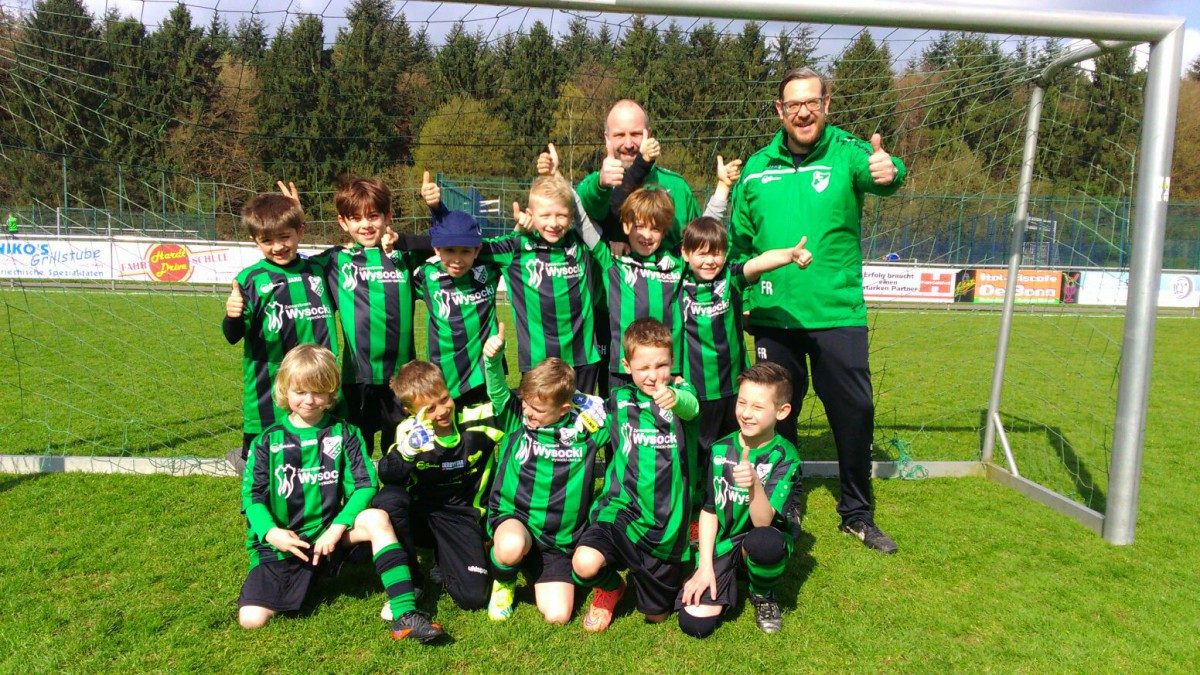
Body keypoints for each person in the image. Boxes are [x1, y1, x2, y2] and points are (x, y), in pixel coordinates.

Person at [729, 66, 907, 554]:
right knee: (774, 418)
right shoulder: (756, 169)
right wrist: (746, 300)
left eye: (812, 101)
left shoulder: (849, 153)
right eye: (793, 104)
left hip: (837, 314)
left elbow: (885, 177)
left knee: (854, 413)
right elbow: (739, 243)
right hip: (774, 316)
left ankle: (856, 513)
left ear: (827, 104)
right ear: (780, 111)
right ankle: (786, 501)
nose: (803, 111)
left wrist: (890, 172)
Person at [237, 344, 445, 643]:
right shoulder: (267, 442)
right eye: (300, 391)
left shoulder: (344, 434)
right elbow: (253, 498)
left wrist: (336, 529)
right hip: (284, 543)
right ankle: (305, 579)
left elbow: (364, 486)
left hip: (331, 539)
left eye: (318, 391)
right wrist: (272, 534)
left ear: (331, 392)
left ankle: (405, 615)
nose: (309, 400)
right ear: (285, 389)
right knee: (251, 620)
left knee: (376, 517)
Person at [572, 318, 699, 633]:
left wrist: (675, 398)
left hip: (665, 521)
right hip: (621, 509)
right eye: (643, 368)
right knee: (584, 563)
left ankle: (686, 555)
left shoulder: (681, 391)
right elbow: (591, 427)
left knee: (656, 616)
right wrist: (577, 424)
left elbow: (691, 407)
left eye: (662, 365)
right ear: (627, 365)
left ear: (672, 362)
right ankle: (611, 587)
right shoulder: (618, 399)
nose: (654, 376)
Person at [678, 216, 811, 510]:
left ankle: (742, 504)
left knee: (732, 452)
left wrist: (789, 255)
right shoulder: (676, 283)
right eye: (701, 252)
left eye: (717, 252)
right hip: (694, 393)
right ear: (686, 255)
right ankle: (695, 516)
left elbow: (759, 262)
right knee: (694, 458)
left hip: (734, 393)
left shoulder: (731, 278)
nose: (710, 260)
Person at [481, 323, 609, 624]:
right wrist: (492, 360)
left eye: (537, 408)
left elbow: (625, 421)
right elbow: (498, 389)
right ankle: (504, 581)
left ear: (565, 408)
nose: (528, 411)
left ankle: (530, 565)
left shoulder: (585, 430)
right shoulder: (517, 419)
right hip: (517, 520)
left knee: (558, 616)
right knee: (511, 546)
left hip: (559, 540)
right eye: (526, 402)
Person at [677, 362, 802, 638]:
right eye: (742, 402)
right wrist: (705, 567)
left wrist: (754, 483)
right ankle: (730, 571)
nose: (745, 413)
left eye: (757, 407)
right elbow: (709, 510)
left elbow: (762, 520)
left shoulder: (785, 456)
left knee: (765, 543)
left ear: (781, 412)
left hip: (762, 534)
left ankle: (762, 593)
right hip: (727, 538)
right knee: (695, 624)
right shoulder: (721, 448)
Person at [373, 360, 499, 615]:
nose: (442, 411)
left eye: (444, 399)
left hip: (462, 517)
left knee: (473, 597)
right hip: (422, 515)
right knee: (388, 500)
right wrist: (407, 452)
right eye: (429, 408)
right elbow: (388, 473)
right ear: (410, 410)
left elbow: (523, 403)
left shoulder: (479, 419)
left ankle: (447, 557)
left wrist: (576, 401)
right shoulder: (409, 431)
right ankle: (412, 579)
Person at [306, 177, 419, 457]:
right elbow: (290, 261)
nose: (365, 225)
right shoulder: (334, 261)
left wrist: (402, 239)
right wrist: (295, 214)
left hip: (401, 380)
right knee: (356, 455)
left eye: (373, 216)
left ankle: (396, 501)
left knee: (402, 454)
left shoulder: (404, 256)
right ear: (343, 223)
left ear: (387, 217)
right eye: (356, 218)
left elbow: (444, 242)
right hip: (357, 381)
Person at [223, 193, 338, 464]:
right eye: (267, 240)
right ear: (255, 240)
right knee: (262, 474)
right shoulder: (250, 280)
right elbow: (232, 336)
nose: (278, 246)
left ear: (300, 231)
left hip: (319, 393)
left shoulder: (321, 269)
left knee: (318, 468)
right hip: (267, 398)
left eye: (285, 237)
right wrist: (233, 316)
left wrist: (298, 210)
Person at [477, 175, 604, 394]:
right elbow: (467, 244)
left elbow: (598, 226)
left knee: (582, 424)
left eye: (562, 215)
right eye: (545, 215)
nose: (553, 223)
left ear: (572, 216)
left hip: (582, 358)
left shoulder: (581, 243)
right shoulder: (516, 247)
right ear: (530, 215)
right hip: (538, 361)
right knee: (539, 422)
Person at [414, 175, 503, 408]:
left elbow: (515, 243)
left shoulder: (491, 269)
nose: (456, 260)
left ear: (478, 250)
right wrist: (435, 209)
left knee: (484, 438)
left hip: (483, 377)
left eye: (465, 251)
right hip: (442, 379)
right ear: (436, 249)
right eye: (449, 250)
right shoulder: (426, 274)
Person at [574, 100, 701, 249]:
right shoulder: (595, 186)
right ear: (607, 138)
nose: (628, 144)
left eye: (636, 134)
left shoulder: (677, 186)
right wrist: (601, 185)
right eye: (619, 135)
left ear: (649, 134)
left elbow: (700, 243)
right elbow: (590, 210)